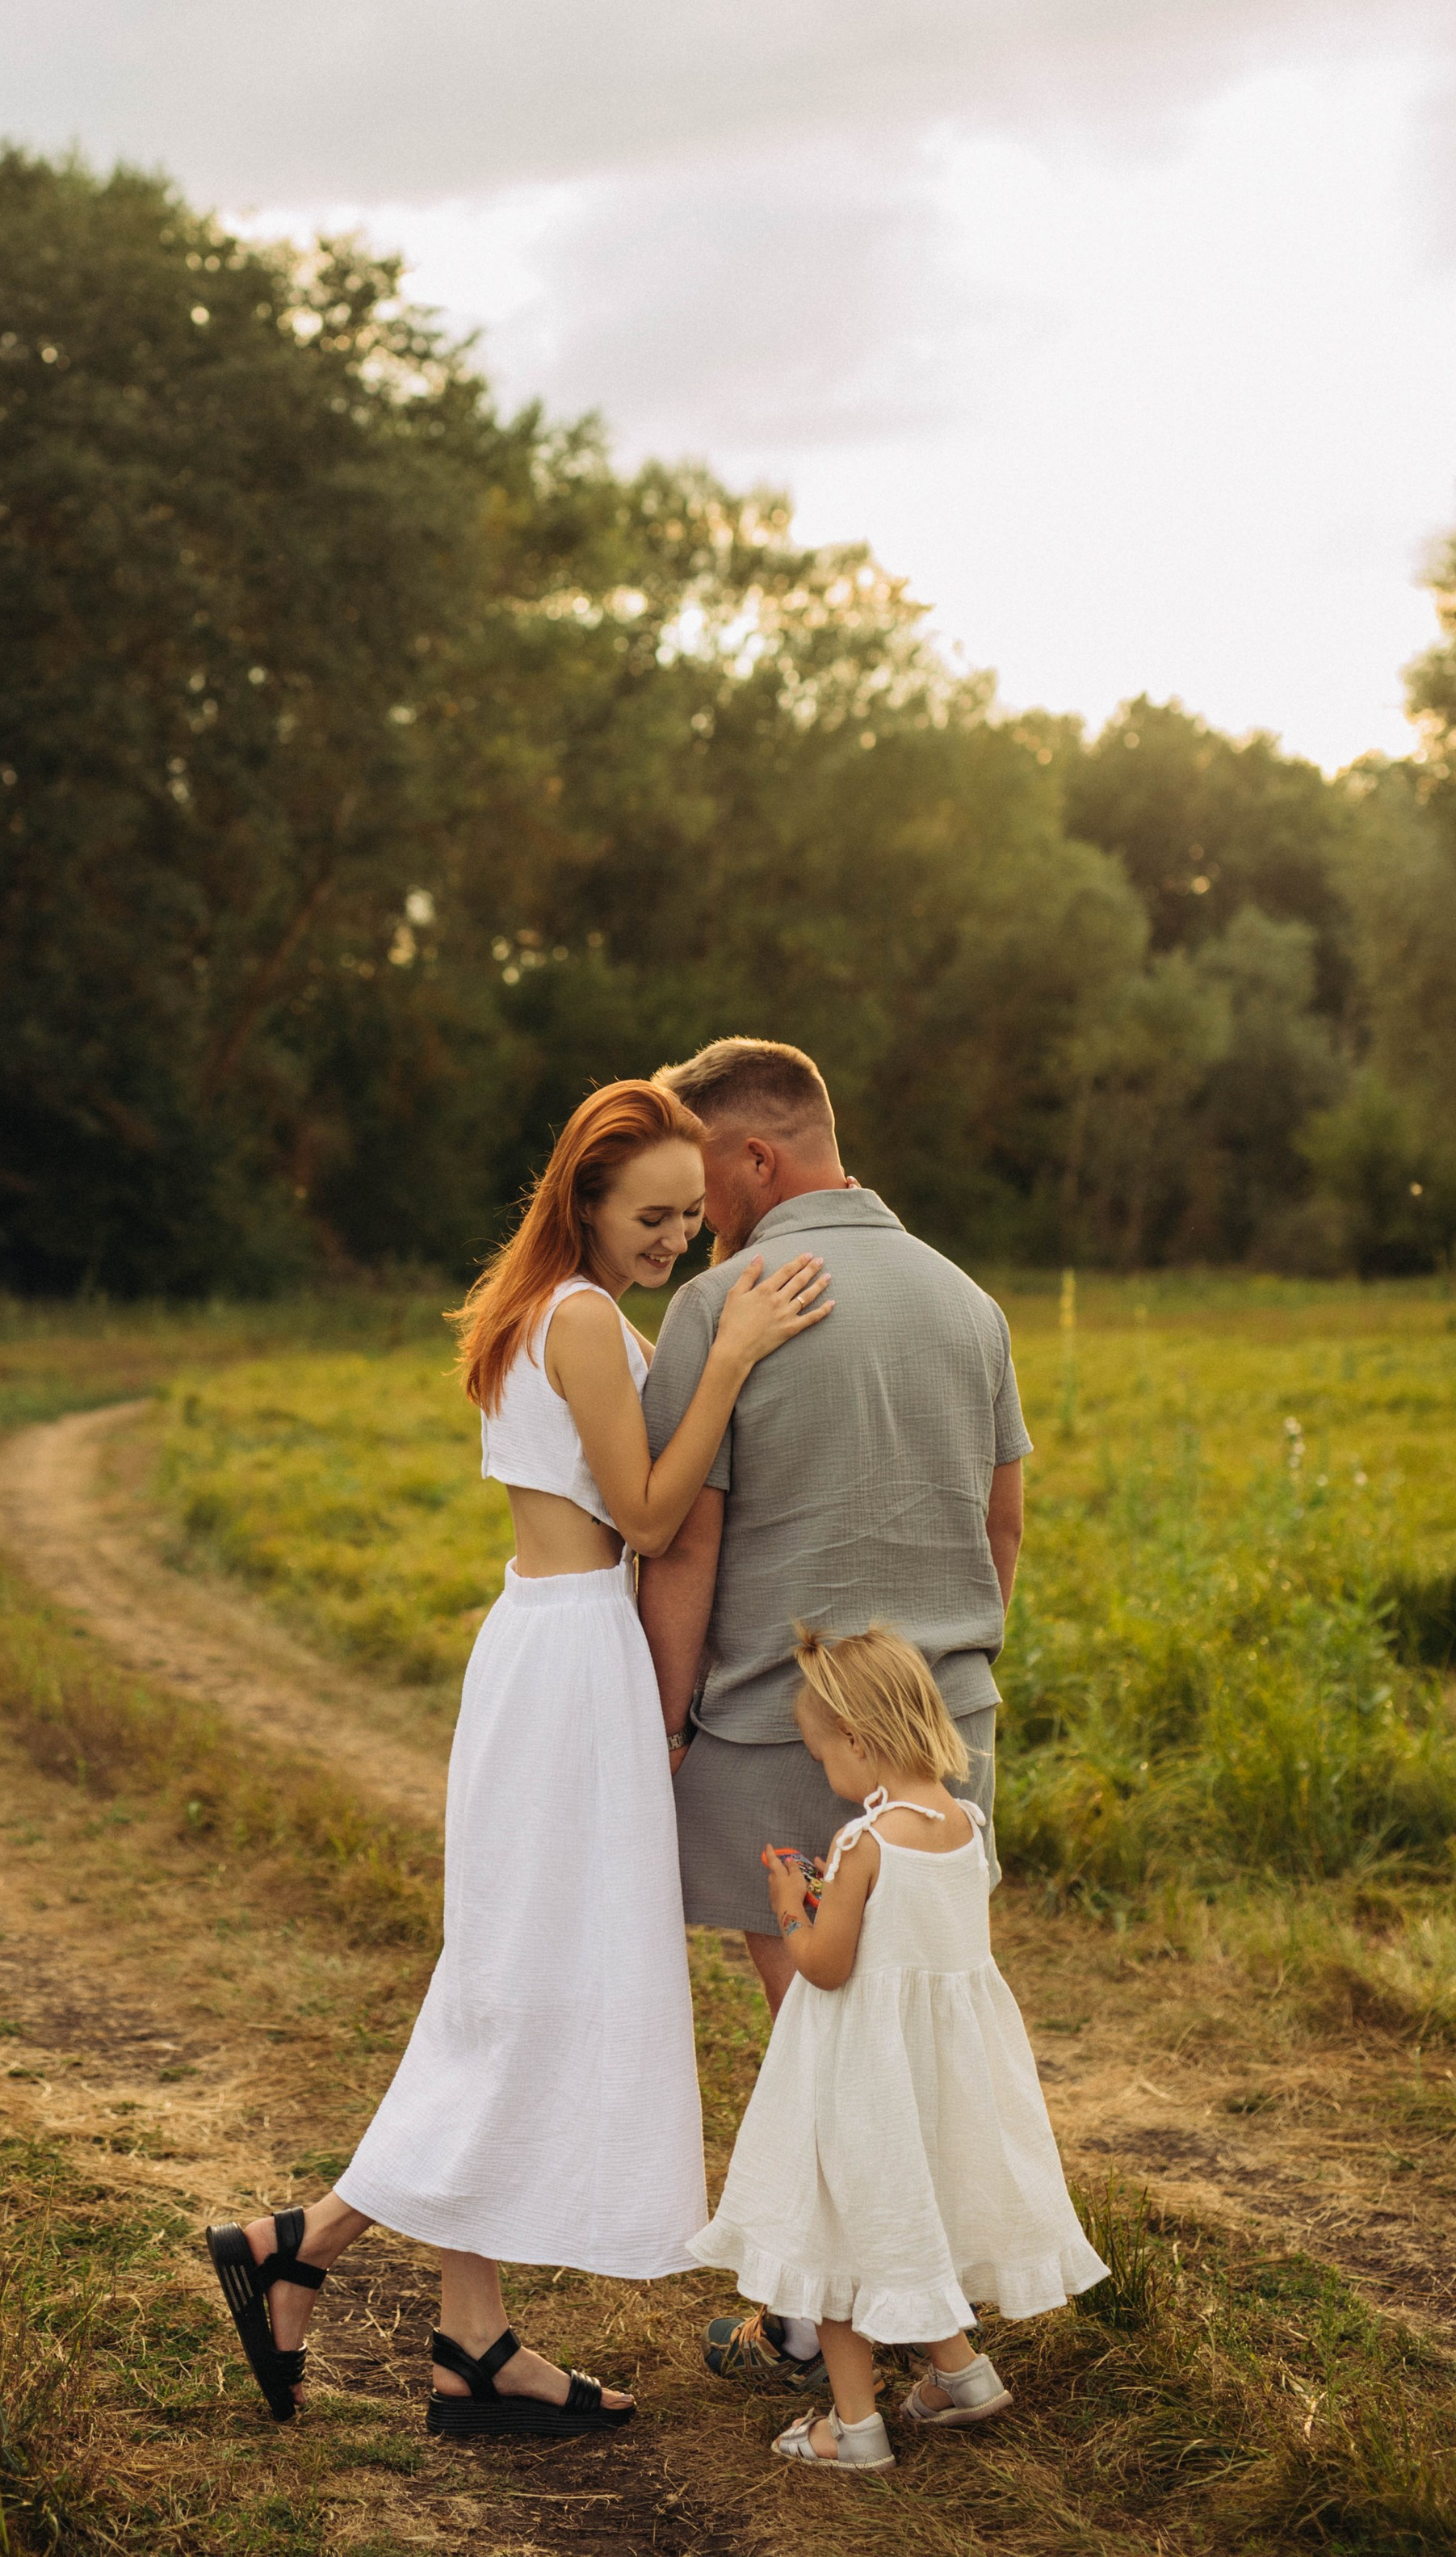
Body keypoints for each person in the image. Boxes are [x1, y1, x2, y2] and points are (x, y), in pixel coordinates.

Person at [208, 1079, 829, 2439]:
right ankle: (297, 2244)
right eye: (653, 1215)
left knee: (507, 1988)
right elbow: (659, 1518)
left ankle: (469, 2343)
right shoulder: (588, 1318)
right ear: (585, 1201)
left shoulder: (532, 1306)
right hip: (573, 1665)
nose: (676, 1237)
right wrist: (729, 1358)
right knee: (524, 1993)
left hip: (541, 1646)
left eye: (687, 1214)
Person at [635, 1033, 1031, 2398]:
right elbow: (1002, 1522)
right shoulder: (966, 1300)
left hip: (774, 1727)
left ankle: (841, 2334)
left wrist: (664, 1717)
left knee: (825, 2050)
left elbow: (685, 1542)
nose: (700, 1216)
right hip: (945, 1737)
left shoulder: (728, 1303)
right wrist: (953, 1690)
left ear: (756, 1156)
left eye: (705, 1179)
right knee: (911, 2041)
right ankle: (881, 2320)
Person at [690, 1624, 1107, 2473]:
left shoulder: (862, 1845)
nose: (822, 1772)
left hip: (859, 2079)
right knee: (903, 2225)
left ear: (857, 1739)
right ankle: (961, 2374)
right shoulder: (963, 1824)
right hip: (930, 2077)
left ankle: (854, 2428)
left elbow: (827, 1967)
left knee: (833, 2236)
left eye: (820, 1754)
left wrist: (789, 1903)